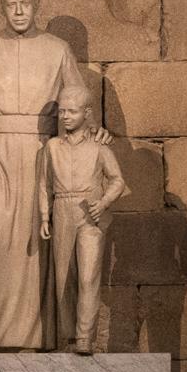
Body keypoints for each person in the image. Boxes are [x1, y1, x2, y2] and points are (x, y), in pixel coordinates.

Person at [0, 0, 106, 349]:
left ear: (37, 5)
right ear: (0, 8)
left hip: (41, 154)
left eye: (26, 4)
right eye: (11, 4)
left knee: (36, 248)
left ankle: (38, 340)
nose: (19, 11)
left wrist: (96, 132)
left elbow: (78, 99)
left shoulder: (58, 50)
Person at [37, 82, 128, 355]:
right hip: (62, 209)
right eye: (62, 111)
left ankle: (85, 336)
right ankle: (70, 337)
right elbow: (44, 184)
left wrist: (104, 203)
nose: (65, 116)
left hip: (90, 214)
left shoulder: (100, 149)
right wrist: (44, 216)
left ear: (87, 113)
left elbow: (117, 180)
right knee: (64, 276)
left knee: (88, 276)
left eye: (72, 111)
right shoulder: (52, 147)